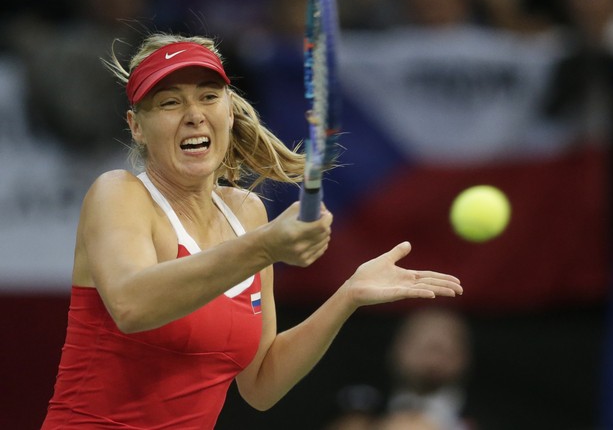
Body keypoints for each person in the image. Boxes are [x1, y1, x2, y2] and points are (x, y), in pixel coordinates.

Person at [40, 33, 463, 428]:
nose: (193, 116)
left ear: (228, 109)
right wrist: (263, 247)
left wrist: (347, 295)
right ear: (136, 126)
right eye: (169, 103)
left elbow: (261, 383)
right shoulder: (118, 193)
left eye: (208, 97)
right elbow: (133, 306)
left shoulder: (246, 213)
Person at [385, 307, 474, 430]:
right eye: (422, 346)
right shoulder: (362, 415)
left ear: (465, 355)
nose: (433, 359)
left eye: (442, 349)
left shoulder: (491, 418)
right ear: (397, 349)